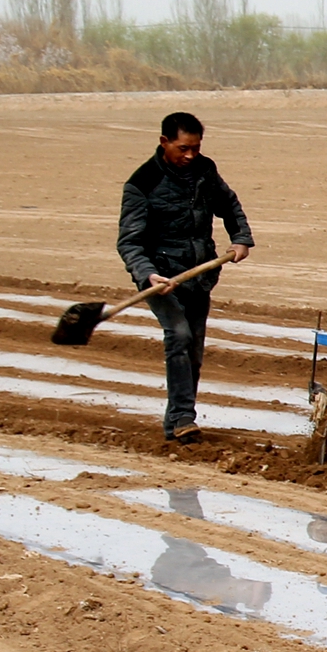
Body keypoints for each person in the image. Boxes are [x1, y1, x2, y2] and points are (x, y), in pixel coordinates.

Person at [113, 110, 253, 443]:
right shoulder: (142, 183)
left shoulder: (205, 170)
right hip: (161, 280)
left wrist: (241, 238)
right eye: (183, 149)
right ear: (164, 142)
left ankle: (178, 419)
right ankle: (182, 418)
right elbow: (129, 242)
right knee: (179, 335)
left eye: (196, 148)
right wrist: (148, 274)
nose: (190, 155)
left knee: (194, 349)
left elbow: (228, 204)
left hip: (200, 275)